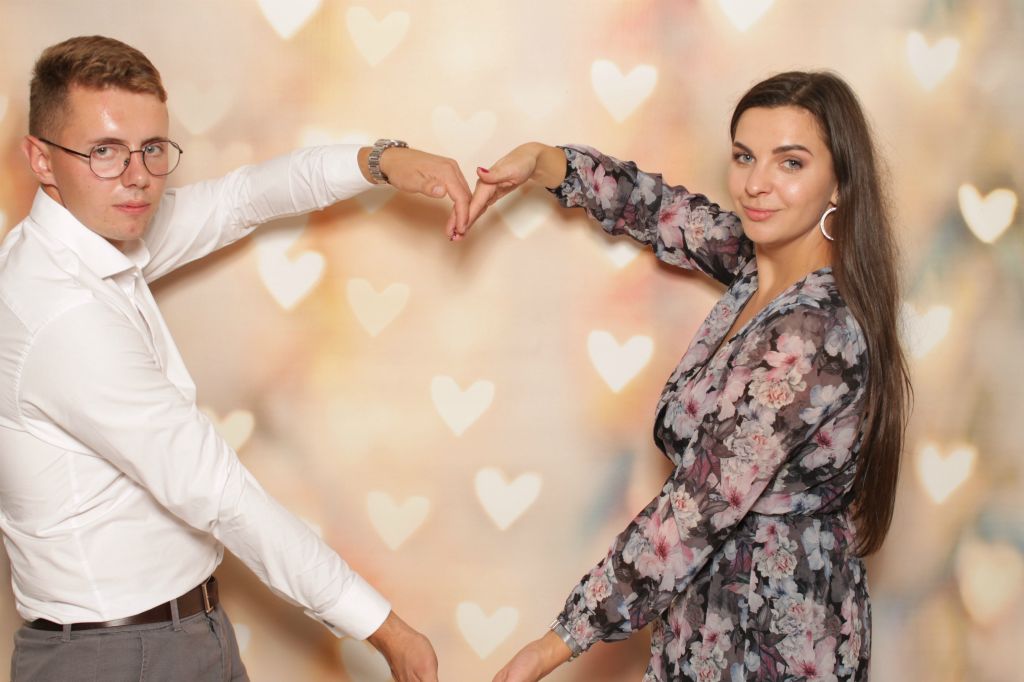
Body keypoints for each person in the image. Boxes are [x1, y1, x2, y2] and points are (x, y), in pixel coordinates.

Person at [0, 35, 472, 681]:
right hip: (113, 656)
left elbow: (240, 199)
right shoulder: (61, 314)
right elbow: (220, 493)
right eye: (104, 151)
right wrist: (385, 629)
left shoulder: (96, 236)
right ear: (42, 159)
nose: (137, 176)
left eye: (152, 148)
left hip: (188, 629)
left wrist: (379, 161)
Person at [456, 71, 911, 681]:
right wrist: (548, 162)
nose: (756, 184)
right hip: (709, 617)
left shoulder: (812, 333)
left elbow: (696, 508)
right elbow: (665, 213)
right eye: (744, 156)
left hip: (777, 640)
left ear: (839, 183)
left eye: (791, 163)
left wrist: (554, 643)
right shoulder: (761, 269)